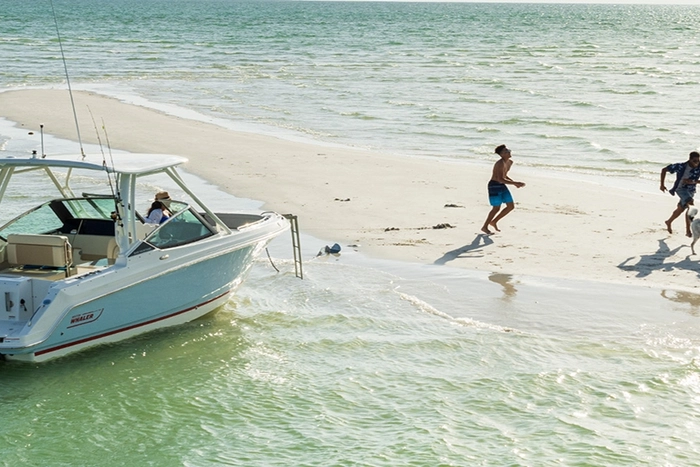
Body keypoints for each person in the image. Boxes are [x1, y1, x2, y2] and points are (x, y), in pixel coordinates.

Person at [481, 144, 526, 235]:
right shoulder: (499, 163)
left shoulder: (510, 162)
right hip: (494, 185)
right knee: (496, 208)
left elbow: (504, 176)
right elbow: (499, 179)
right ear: (501, 154)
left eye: (508, 150)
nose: (508, 152)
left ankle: (493, 222)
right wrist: (515, 183)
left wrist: (513, 182)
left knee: (510, 206)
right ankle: (484, 227)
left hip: (502, 185)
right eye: (506, 151)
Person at [660, 151, 700, 236]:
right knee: (690, 204)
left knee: (680, 209)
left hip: (691, 190)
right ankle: (688, 230)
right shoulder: (681, 166)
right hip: (681, 189)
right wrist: (662, 185)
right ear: (689, 160)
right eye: (694, 161)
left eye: (698, 161)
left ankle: (668, 222)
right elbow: (664, 170)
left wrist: (693, 181)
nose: (696, 163)